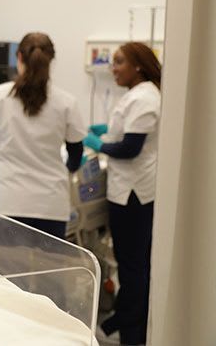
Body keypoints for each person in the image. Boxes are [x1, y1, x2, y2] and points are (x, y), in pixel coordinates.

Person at [0, 32, 86, 239]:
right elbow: (76, 154)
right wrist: (66, 170)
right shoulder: (66, 102)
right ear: (51, 60)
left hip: (9, 201)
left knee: (7, 270)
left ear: (18, 57)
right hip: (50, 204)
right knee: (49, 271)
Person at [84, 42, 161, 346]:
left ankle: (129, 329)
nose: (112, 68)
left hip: (133, 192)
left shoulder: (145, 98)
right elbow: (126, 134)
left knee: (132, 265)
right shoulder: (140, 95)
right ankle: (128, 323)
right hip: (131, 188)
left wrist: (96, 142)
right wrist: (106, 131)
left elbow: (129, 148)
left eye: (118, 63)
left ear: (138, 66)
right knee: (133, 263)